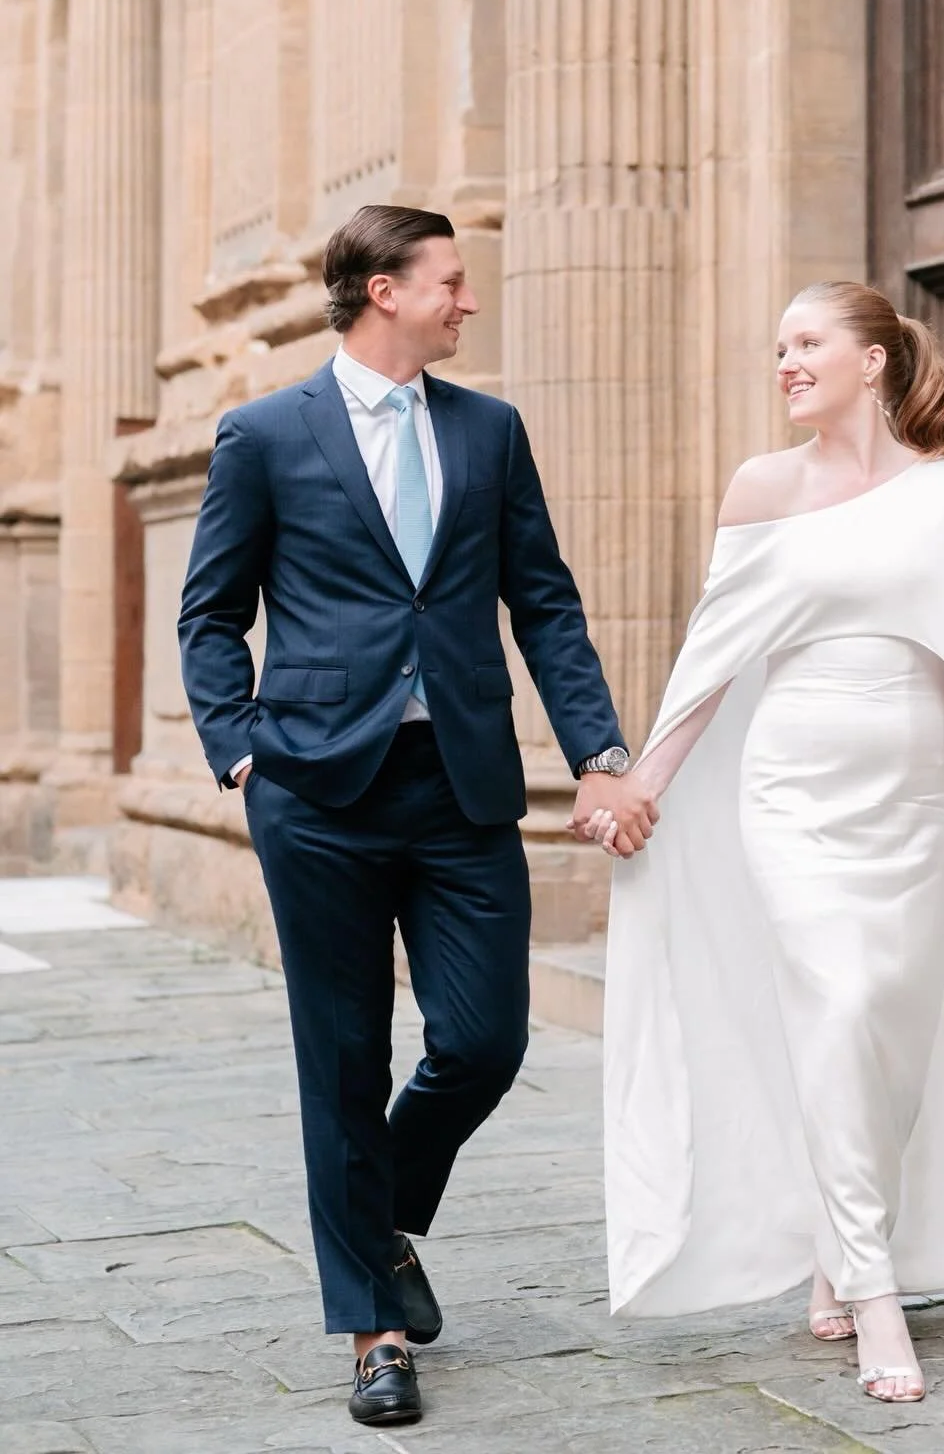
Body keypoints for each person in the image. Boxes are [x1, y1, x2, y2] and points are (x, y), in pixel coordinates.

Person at [178, 204, 656, 1428]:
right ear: (384, 291)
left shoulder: (489, 431)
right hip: (317, 792)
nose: (469, 301)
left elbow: (542, 601)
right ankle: (374, 1333)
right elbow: (211, 614)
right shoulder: (265, 434)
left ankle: (377, 1216)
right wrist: (240, 756)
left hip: (461, 787)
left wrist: (600, 751)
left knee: (485, 1039)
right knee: (341, 1059)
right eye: (452, 282)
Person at [596, 281, 944, 1404]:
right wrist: (643, 785)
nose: (784, 362)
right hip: (793, 792)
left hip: (918, 798)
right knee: (834, 1009)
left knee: (890, 1032)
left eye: (807, 342)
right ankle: (876, 1296)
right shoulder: (762, 488)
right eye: (777, 346)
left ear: (871, 361)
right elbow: (714, 656)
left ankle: (842, 1242)